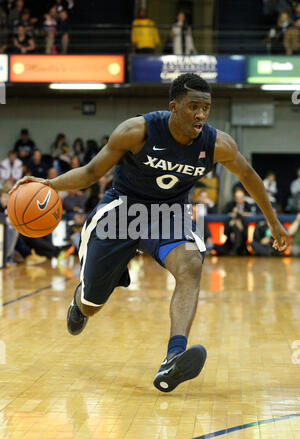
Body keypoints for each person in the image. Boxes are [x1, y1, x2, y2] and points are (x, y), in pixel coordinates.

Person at [11, 73, 290, 393]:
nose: (201, 115)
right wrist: (49, 184)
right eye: (193, 107)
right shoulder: (136, 131)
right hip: (122, 211)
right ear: (174, 107)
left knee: (190, 264)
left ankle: (174, 356)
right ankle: (81, 302)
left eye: (206, 108)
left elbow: (249, 175)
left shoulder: (217, 144)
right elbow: (91, 173)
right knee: (93, 303)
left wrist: (272, 220)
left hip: (168, 215)